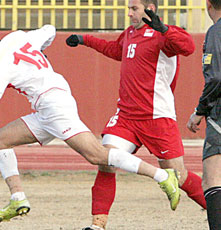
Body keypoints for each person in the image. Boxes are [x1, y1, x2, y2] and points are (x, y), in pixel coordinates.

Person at [0, 22, 181, 223]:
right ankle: (18, 198)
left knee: (97, 155)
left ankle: (163, 175)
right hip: (48, 105)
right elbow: (49, 30)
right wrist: (42, 51)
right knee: (0, 140)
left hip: (54, 106)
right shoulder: (17, 37)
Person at [66, 0, 207, 229]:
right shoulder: (130, 33)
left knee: (178, 175)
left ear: (149, 9)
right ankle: (97, 225)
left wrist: (164, 29)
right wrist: (85, 40)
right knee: (106, 162)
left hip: (157, 118)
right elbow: (114, 50)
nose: (129, 13)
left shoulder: (164, 33)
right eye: (129, 9)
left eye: (134, 9)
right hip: (126, 117)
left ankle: (216, 210)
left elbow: (188, 46)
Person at [186, 0, 221, 228]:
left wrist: (200, 111)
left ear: (208, 4)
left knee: (212, 180)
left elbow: (216, 77)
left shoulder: (216, 31)